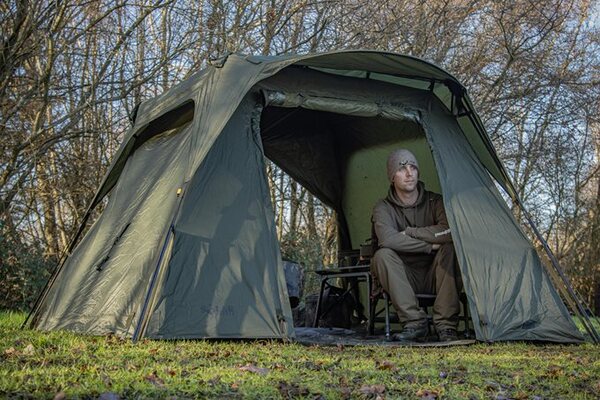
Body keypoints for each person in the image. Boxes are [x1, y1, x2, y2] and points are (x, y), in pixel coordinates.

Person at [371, 149, 461, 342]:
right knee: (383, 255)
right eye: (402, 169)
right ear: (392, 176)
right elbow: (388, 239)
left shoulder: (435, 201)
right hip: (403, 276)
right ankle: (415, 323)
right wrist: (429, 246)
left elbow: (449, 231)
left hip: (435, 274)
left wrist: (412, 232)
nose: (409, 173)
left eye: (413, 167)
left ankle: (446, 326)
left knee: (450, 248)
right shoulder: (383, 207)